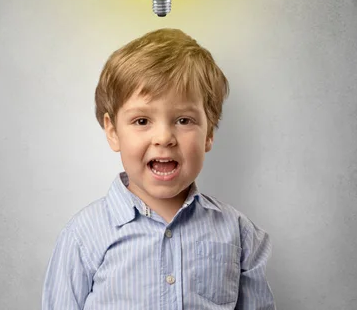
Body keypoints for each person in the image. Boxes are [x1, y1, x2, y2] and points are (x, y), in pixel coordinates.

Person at [42, 28, 276, 309]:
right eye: (142, 121)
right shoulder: (84, 235)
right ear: (113, 131)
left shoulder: (239, 233)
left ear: (209, 133)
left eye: (184, 120)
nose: (164, 137)